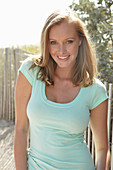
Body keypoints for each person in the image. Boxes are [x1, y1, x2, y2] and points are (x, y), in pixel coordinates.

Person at [14, 9, 110, 170]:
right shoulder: (30, 71)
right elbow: (21, 129)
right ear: (46, 43)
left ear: (80, 40)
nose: (61, 51)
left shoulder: (95, 90)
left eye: (69, 41)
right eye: (53, 42)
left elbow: (102, 149)